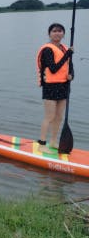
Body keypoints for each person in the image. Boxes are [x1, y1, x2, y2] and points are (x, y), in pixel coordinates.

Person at [37, 23, 74, 152]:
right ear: (49, 34)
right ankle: (41, 144)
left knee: (59, 117)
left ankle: (53, 142)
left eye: (60, 31)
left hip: (63, 86)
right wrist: (67, 55)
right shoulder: (48, 49)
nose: (57, 33)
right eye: (54, 31)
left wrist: (71, 76)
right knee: (49, 117)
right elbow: (53, 68)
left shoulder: (64, 48)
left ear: (63, 34)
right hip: (50, 87)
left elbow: (70, 67)